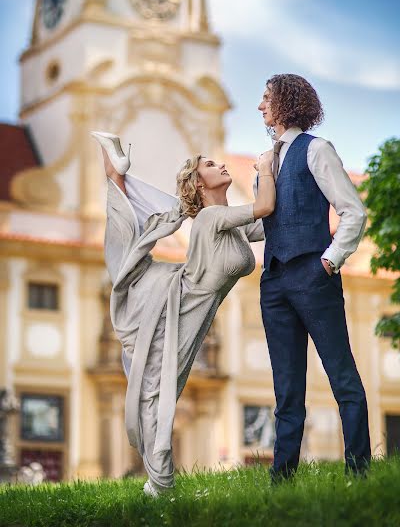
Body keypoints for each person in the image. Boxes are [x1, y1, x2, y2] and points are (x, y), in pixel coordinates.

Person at [91, 130, 273, 496]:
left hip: (192, 312)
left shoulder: (228, 221)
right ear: (199, 183)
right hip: (174, 311)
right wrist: (267, 166)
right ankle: (159, 485)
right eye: (210, 164)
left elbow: (271, 219)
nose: (221, 163)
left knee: (162, 392)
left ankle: (158, 483)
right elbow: (265, 206)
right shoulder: (210, 220)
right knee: (155, 393)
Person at [257, 73, 371, 482]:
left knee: (343, 378)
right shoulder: (266, 161)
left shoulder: (317, 149)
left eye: (266, 98)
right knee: (286, 390)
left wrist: (329, 261)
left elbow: (353, 211)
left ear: (286, 101)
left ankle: (358, 472)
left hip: (313, 275)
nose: (260, 106)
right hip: (273, 283)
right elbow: (267, 220)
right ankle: (281, 481)